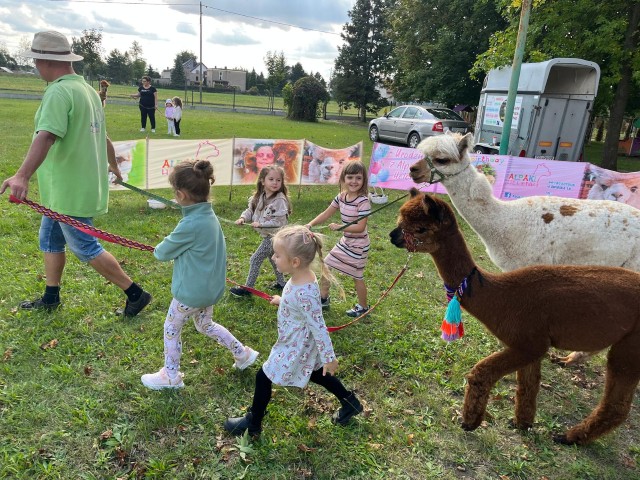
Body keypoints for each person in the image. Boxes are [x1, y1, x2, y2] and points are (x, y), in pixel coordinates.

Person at [0, 31, 151, 317]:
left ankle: (135, 293)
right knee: (49, 239)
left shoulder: (58, 92)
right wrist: (113, 165)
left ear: (46, 61)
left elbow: (46, 136)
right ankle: (51, 296)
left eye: (36, 60)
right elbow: (104, 136)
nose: (35, 67)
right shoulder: (88, 91)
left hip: (69, 189)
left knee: (84, 246)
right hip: (67, 188)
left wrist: (21, 176)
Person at [224, 225, 363, 438]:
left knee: (263, 376)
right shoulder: (301, 277)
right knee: (317, 373)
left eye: (277, 255)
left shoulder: (304, 291)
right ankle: (350, 402)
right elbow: (298, 304)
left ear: (295, 262)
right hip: (298, 341)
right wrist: (283, 301)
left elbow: (319, 327)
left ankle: (253, 423)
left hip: (295, 345)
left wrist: (330, 357)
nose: (273, 258)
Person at [142, 159, 258, 389]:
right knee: (205, 324)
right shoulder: (209, 216)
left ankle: (170, 376)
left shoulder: (190, 224)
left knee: (171, 328)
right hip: (210, 290)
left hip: (191, 294)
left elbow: (162, 253)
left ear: (180, 194)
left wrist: (160, 247)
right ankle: (242, 353)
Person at [305, 160, 371, 318]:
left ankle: (363, 307)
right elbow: (326, 213)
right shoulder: (341, 197)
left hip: (359, 245)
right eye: (350, 177)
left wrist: (341, 227)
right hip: (346, 241)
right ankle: (323, 298)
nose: (354, 181)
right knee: (326, 266)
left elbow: (360, 227)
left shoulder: (363, 202)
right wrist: (310, 224)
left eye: (358, 178)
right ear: (343, 179)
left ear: (364, 180)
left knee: (357, 277)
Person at [230, 165, 291, 297]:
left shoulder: (279, 200)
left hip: (275, 236)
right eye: (271, 179)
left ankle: (248, 289)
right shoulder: (260, 196)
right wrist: (242, 218)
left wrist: (261, 224)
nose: (275, 183)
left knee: (255, 259)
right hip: (269, 235)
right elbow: (250, 211)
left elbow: (279, 222)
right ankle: (282, 284)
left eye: (278, 180)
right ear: (263, 181)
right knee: (273, 259)